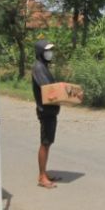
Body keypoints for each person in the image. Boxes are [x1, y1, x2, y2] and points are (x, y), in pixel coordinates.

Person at [31, 39, 61, 189]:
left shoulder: (44, 66)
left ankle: (44, 173)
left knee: (48, 143)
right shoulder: (38, 68)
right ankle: (42, 176)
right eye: (47, 51)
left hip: (51, 111)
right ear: (40, 52)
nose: (50, 53)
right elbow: (48, 89)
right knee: (45, 143)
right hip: (45, 111)